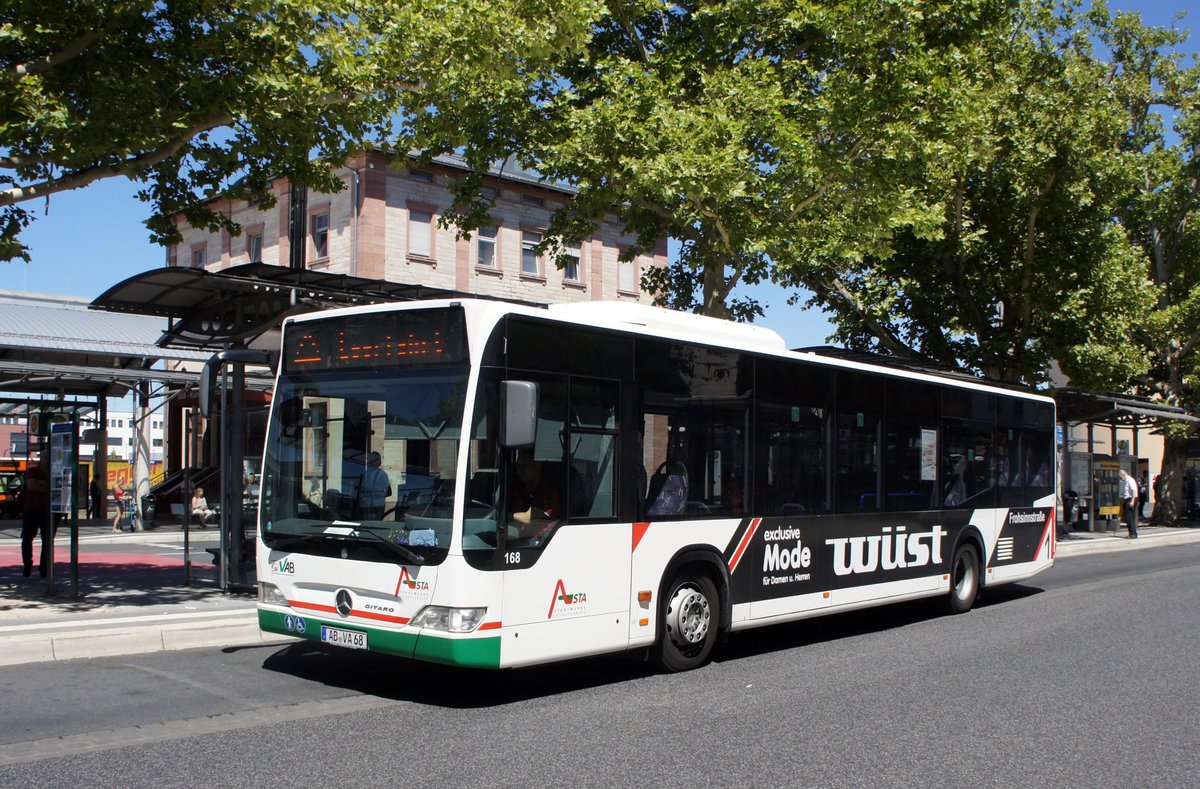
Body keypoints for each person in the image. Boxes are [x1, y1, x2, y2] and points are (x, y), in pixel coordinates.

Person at [509, 449, 560, 537]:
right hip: (518, 538)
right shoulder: (517, 489)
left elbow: (529, 518)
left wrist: (507, 516)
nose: (518, 471)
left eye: (523, 466)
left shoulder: (549, 493)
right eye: (518, 467)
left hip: (540, 541)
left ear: (537, 466)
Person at [20, 456, 51, 578]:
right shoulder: (32, 471)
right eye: (46, 459)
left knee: (47, 540)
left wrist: (41, 485)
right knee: (27, 538)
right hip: (31, 510)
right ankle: (27, 564)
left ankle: (44, 568)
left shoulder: (53, 473)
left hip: (47, 511)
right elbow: (32, 485)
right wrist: (47, 486)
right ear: (42, 460)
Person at [358, 451, 392, 519]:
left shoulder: (382, 474)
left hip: (377, 506)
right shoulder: (364, 474)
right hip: (365, 506)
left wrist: (376, 494)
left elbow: (389, 492)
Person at [1119, 469, 1138, 539]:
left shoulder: (1130, 480)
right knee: (1128, 517)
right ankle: (1131, 533)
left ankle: (1133, 533)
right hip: (1127, 499)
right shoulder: (1126, 481)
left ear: (1123, 475)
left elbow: (1134, 490)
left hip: (1130, 499)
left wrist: (1132, 501)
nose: (1121, 478)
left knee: (1129, 517)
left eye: (1121, 477)